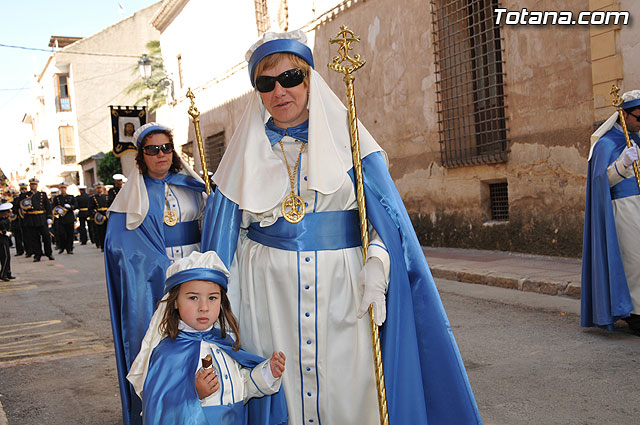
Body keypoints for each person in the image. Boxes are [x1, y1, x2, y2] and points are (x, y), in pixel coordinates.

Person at [200, 30, 482, 425]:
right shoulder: (241, 157)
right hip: (265, 301)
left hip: (344, 295)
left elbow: (388, 223)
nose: (280, 91)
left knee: (350, 395)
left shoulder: (351, 142)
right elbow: (220, 246)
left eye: (291, 78)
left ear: (310, 80)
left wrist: (379, 266)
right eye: (266, 83)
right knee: (281, 394)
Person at [105, 122, 207, 425]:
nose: (160, 154)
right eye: (152, 149)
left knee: (200, 339)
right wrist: (158, 266)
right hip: (157, 283)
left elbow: (210, 225)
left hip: (197, 271)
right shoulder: (131, 195)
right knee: (164, 346)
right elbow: (120, 245)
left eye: (166, 147)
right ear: (142, 155)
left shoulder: (192, 185)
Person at [126, 251, 288, 425]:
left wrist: (267, 373)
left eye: (212, 298)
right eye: (193, 297)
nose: (203, 307)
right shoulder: (167, 354)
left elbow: (241, 388)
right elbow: (160, 409)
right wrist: (194, 394)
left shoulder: (224, 344)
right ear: (174, 301)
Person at [582, 89, 640, 336]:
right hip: (623, 208)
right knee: (634, 262)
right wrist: (622, 164)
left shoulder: (637, 139)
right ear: (623, 115)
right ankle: (635, 315)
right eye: (638, 117)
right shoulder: (605, 144)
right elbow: (600, 181)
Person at [21, 177, 54, 262]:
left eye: (35, 184)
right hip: (31, 218)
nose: (33, 186)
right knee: (34, 238)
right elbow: (20, 206)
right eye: (32, 184)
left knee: (46, 236)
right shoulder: (25, 195)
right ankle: (37, 254)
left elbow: (48, 207)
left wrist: (49, 217)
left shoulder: (42, 194)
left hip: (41, 217)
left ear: (37, 185)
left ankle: (49, 253)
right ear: (30, 185)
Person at [52, 183, 78, 255]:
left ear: (66, 189)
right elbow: (53, 207)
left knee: (70, 234)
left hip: (69, 218)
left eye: (64, 188)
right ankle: (62, 247)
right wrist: (57, 210)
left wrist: (71, 207)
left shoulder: (71, 197)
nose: (63, 189)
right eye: (61, 188)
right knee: (62, 234)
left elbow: (76, 205)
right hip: (61, 219)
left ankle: (69, 248)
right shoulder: (57, 198)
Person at [89, 182, 109, 251]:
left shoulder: (106, 196)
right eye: (97, 188)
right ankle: (102, 246)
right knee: (100, 232)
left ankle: (108, 245)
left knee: (107, 231)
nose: (99, 189)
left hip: (106, 215)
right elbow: (90, 208)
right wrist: (96, 215)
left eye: (100, 188)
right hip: (99, 216)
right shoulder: (93, 198)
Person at [0, 202, 15, 281]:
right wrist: (5, 232)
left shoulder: (5, 219)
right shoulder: (2, 220)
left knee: (7, 257)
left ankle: (8, 273)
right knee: (5, 257)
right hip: (1, 240)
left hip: (5, 239)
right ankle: (3, 274)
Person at [11, 183, 27, 256]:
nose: (23, 190)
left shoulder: (28, 197)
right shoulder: (17, 199)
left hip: (27, 219)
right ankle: (19, 250)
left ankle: (28, 250)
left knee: (27, 236)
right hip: (18, 219)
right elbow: (14, 209)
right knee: (18, 236)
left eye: (24, 189)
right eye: (22, 189)